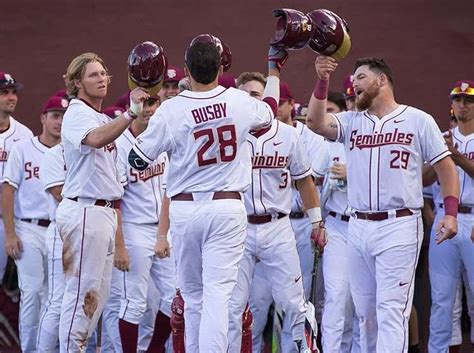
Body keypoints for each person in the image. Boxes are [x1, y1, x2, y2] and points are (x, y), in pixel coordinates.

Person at [128, 36, 285, 352]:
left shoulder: (171, 109)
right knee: (217, 293)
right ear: (221, 67)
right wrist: (274, 69)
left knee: (193, 294)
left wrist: (135, 113)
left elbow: (137, 159)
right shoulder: (239, 100)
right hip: (227, 208)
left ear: (186, 70)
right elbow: (270, 111)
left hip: (185, 210)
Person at [305, 55, 459, 353]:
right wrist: (322, 79)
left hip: (399, 224)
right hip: (357, 225)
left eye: (361, 77)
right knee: (366, 315)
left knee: (390, 311)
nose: (355, 84)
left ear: (381, 80)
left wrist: (450, 213)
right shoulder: (352, 122)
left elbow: (445, 167)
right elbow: (315, 122)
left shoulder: (417, 119)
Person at [57, 52, 149, 352]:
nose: (101, 78)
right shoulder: (77, 112)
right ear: (76, 83)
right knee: (81, 297)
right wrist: (130, 114)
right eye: (93, 74)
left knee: (96, 301)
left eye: (103, 73)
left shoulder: (101, 116)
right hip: (86, 210)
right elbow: (94, 139)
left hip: (104, 212)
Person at [114, 94, 176, 353]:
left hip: (161, 228)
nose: (150, 109)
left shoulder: (161, 138)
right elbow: (114, 200)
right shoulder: (118, 145)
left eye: (154, 104)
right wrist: (120, 246)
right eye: (145, 104)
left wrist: (163, 234)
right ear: (133, 107)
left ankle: (154, 349)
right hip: (133, 229)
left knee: (175, 297)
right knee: (134, 303)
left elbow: (168, 192)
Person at [3, 95, 65, 352]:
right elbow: (8, 190)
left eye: (63, 117)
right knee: (31, 293)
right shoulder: (23, 148)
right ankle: (30, 349)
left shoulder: (70, 151)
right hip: (28, 227)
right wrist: (10, 233)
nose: (59, 122)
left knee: (55, 296)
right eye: (54, 116)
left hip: (60, 229)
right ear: (43, 118)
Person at [428, 80, 474, 353]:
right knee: (443, 298)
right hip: (444, 218)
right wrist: (439, 157)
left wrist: (455, 156)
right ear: (452, 104)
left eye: (468, 100)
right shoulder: (440, 138)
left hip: (473, 219)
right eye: (458, 99)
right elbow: (421, 181)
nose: (463, 105)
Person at [319, 91, 360, 353]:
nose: (353, 104)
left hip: (367, 223)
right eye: (350, 100)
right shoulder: (331, 141)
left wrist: (352, 174)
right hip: (335, 224)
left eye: (357, 99)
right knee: (335, 298)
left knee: (362, 304)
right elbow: (312, 183)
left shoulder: (380, 136)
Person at [0, 71, 33, 283]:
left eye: (13, 92)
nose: (12, 97)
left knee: (14, 285)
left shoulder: (24, 136)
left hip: (11, 223)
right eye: (5, 92)